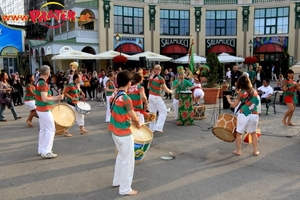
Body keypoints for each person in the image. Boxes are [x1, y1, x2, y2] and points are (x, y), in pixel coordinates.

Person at [108, 70, 141, 196]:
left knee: (120, 157)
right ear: (128, 82)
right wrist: (138, 123)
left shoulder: (114, 95)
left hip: (115, 131)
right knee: (128, 161)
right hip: (124, 133)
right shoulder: (126, 98)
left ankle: (117, 181)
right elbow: (133, 117)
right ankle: (125, 189)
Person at [226, 75, 260, 156]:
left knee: (239, 133)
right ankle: (255, 151)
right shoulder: (254, 91)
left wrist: (228, 99)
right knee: (253, 133)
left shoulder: (241, 92)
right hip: (254, 114)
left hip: (244, 114)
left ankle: (239, 151)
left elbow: (234, 105)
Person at [35, 65, 64, 159]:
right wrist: (57, 98)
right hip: (44, 109)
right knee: (51, 129)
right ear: (47, 73)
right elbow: (44, 99)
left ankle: (41, 149)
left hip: (40, 109)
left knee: (43, 129)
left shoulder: (38, 82)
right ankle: (46, 151)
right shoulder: (44, 84)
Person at [147, 65, 173, 132]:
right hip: (156, 96)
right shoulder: (160, 78)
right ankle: (158, 127)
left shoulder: (151, 77)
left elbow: (148, 87)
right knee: (164, 111)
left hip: (150, 96)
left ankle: (151, 129)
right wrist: (172, 91)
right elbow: (166, 90)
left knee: (152, 113)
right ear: (159, 70)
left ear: (154, 70)